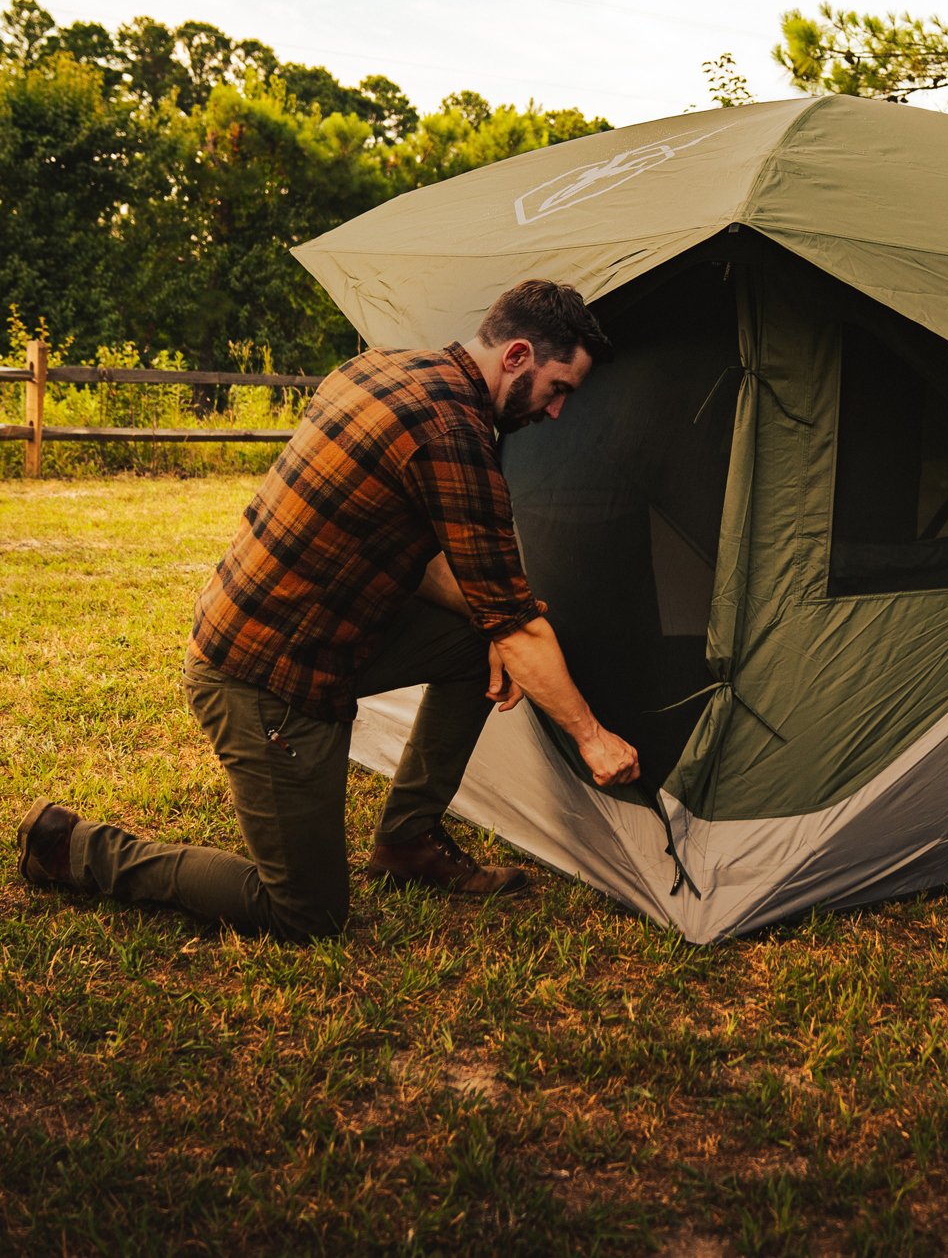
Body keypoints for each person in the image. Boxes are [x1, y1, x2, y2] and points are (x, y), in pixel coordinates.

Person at [18, 279, 639, 941]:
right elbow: (518, 626)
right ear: (517, 356)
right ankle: (72, 849)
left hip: (289, 629)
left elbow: (425, 563)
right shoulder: (455, 437)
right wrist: (591, 739)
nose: (554, 413)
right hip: (265, 675)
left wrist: (491, 618)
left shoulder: (383, 368)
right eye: (558, 389)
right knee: (305, 911)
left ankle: (407, 845)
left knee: (473, 644)